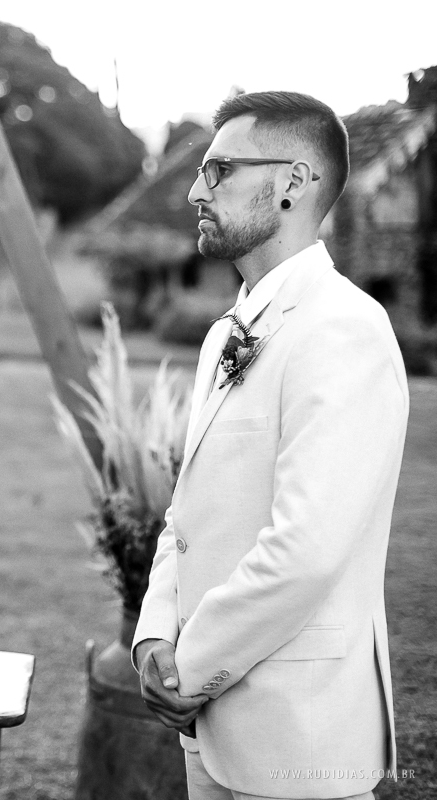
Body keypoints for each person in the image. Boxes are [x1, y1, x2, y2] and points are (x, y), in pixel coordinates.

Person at [133, 91, 408, 800]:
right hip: (211, 727)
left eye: (219, 169)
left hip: (300, 738)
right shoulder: (225, 335)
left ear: (291, 183)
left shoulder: (345, 329)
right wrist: (154, 633)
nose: (196, 190)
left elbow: (306, 552)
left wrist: (188, 668)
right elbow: (186, 515)